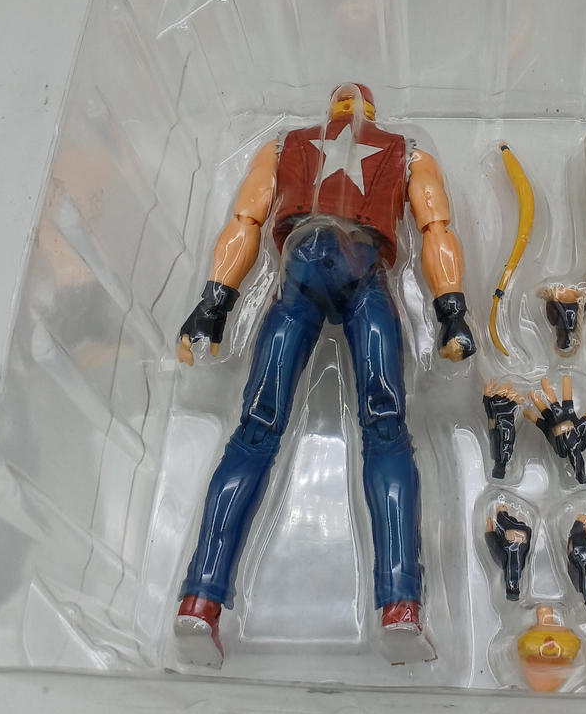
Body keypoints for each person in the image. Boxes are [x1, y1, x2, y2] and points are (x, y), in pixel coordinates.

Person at [174, 82, 476, 666]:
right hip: (363, 269)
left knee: (255, 431)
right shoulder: (406, 151)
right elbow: (437, 228)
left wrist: (214, 304)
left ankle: (198, 601)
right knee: (386, 430)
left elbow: (245, 220)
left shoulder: (285, 145)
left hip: (301, 268)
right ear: (371, 109)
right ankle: (400, 607)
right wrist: (451, 312)